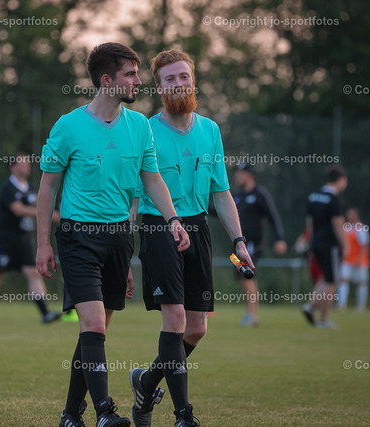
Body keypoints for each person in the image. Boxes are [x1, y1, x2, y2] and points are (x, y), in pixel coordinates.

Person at [36, 42, 190, 427]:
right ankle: (105, 412)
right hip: (78, 236)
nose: (138, 81)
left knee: (96, 330)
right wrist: (42, 243)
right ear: (107, 80)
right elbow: (47, 187)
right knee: (92, 325)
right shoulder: (68, 126)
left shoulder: (139, 126)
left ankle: (71, 414)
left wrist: (173, 219)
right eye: (130, 74)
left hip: (120, 238)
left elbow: (152, 180)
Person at [128, 49, 254, 427]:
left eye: (184, 76)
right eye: (170, 79)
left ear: (193, 80)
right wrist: (124, 246)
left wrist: (239, 241)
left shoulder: (210, 130)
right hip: (159, 227)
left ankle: (146, 383)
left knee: (197, 328)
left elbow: (222, 194)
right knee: (176, 318)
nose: (178, 84)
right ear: (159, 87)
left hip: (198, 229)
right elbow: (133, 195)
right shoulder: (145, 129)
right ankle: (184, 415)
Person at [0, 152, 62, 324]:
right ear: (13, 167)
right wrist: (45, 214)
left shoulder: (31, 188)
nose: (27, 166)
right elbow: (17, 209)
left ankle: (45, 312)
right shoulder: (8, 187)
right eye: (22, 163)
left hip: (25, 238)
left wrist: (53, 211)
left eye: (27, 163)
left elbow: (41, 202)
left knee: (34, 272)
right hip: (7, 238)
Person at [232, 162, 287, 326]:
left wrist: (280, 239)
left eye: (241, 173)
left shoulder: (260, 194)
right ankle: (251, 314)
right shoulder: (236, 196)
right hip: (237, 245)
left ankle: (252, 315)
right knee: (242, 277)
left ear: (250, 175)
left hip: (252, 244)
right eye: (236, 172)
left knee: (247, 274)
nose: (237, 175)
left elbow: (273, 217)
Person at [302, 165, 348, 328]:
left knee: (325, 278)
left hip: (316, 243)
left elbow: (309, 223)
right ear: (340, 179)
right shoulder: (334, 199)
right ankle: (316, 310)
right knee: (331, 280)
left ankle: (319, 314)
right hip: (330, 244)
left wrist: (310, 242)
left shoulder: (314, 197)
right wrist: (345, 244)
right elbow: (337, 224)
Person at [336, 207, 370, 312]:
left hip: (360, 261)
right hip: (347, 260)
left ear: (356, 215)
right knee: (343, 280)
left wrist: (360, 259)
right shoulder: (346, 227)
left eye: (352, 214)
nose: (349, 216)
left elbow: (365, 245)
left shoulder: (361, 228)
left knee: (361, 282)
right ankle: (342, 304)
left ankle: (361, 306)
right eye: (348, 214)